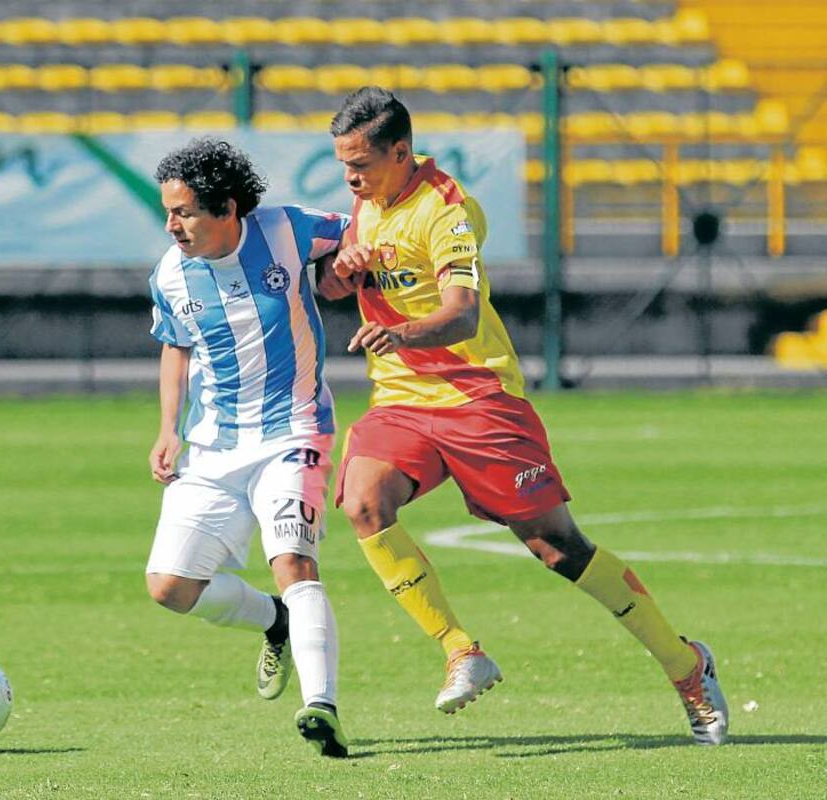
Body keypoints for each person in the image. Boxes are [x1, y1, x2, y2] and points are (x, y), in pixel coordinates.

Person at [321, 87, 728, 745]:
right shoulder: (366, 203)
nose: (350, 178)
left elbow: (463, 313)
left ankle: (687, 665)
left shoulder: (447, 211)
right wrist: (340, 273)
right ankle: (461, 650)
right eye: (344, 165)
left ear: (401, 153)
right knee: (363, 504)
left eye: (361, 165)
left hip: (478, 399)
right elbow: (334, 285)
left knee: (556, 547)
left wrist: (402, 333)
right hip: (400, 400)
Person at [145, 138, 349, 757]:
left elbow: (358, 227)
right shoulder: (169, 272)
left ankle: (323, 708)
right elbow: (176, 345)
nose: (171, 225)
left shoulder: (286, 229)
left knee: (293, 562)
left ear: (227, 207)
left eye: (183, 212)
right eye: (168, 212)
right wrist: (167, 427)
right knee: (170, 588)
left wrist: (351, 263)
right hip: (214, 449)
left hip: (295, 430)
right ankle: (274, 622)